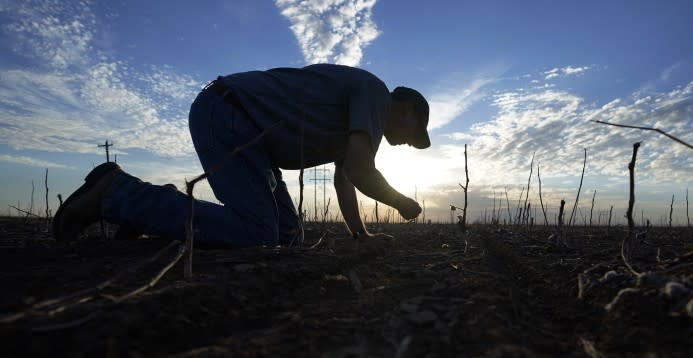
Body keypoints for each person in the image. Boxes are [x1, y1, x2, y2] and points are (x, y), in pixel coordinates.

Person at [53, 64, 430, 247]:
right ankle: (117, 194)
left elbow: (347, 177)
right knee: (258, 232)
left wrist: (361, 236)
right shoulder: (376, 94)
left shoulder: (363, 119)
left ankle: (152, 214)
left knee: (286, 233)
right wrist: (402, 203)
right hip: (230, 114)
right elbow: (364, 171)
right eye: (416, 136)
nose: (409, 145)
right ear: (408, 109)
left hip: (251, 138)